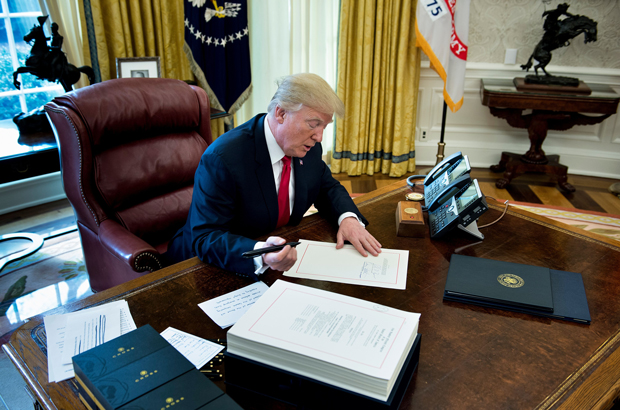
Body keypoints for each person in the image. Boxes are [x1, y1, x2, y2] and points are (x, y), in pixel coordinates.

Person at [166, 73, 382, 278]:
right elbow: (206, 237)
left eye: (324, 127)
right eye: (313, 124)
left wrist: (349, 219)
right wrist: (260, 253)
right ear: (280, 114)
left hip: (277, 259)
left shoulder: (308, 147)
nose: (319, 136)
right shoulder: (223, 158)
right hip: (202, 267)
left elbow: (326, 187)